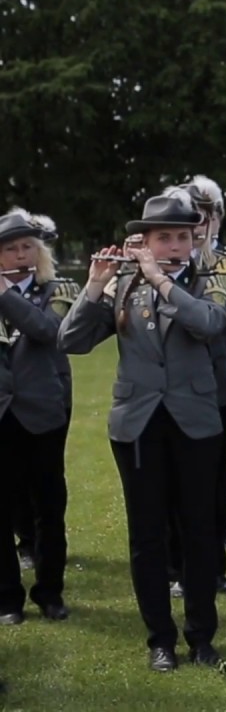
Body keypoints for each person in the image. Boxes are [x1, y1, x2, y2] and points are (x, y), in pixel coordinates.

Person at [58, 188, 226, 671]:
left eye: (182, 237)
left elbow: (211, 324)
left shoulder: (212, 279)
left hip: (194, 422)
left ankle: (201, 636)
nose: (174, 246)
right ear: (145, 241)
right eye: (163, 238)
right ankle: (160, 638)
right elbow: (69, 340)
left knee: (198, 531)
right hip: (137, 423)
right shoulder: (123, 285)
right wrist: (94, 287)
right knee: (147, 535)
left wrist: (162, 281)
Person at [168, 175, 226, 597]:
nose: (198, 225)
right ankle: (174, 562)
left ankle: (213, 565)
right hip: (170, 382)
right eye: (189, 218)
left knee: (213, 474)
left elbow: (211, 315)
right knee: (171, 479)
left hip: (216, 380)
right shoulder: (159, 257)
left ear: (216, 218)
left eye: (204, 216)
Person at [0, 208, 78, 625]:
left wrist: (5, 295)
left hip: (44, 411)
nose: (18, 255)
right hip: (2, 412)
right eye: (9, 249)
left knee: (49, 507)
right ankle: (7, 598)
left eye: (26, 246)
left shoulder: (59, 288)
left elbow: (50, 331)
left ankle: (49, 592)